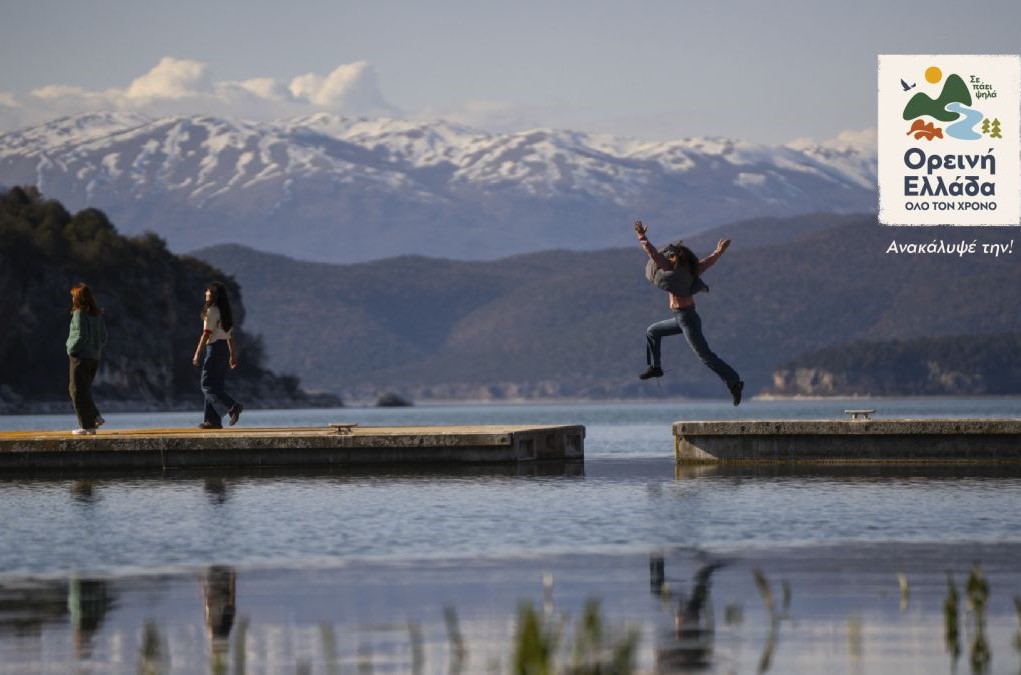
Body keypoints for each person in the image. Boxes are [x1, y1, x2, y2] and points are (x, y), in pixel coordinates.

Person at [634, 220, 744, 406]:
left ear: (677, 259)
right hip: (680, 317)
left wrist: (641, 236)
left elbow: (652, 253)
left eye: (672, 256)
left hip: (688, 319)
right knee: (652, 331)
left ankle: (734, 382)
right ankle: (655, 367)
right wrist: (719, 251)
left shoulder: (671, 268)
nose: (669, 258)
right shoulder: (693, 270)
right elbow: (710, 261)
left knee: (705, 356)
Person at [192, 282, 243, 429]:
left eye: (208, 292)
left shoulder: (212, 310)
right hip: (223, 350)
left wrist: (197, 353)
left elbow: (206, 334)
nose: (205, 293)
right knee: (216, 387)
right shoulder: (225, 312)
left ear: (213, 294)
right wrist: (232, 355)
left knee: (207, 385)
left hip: (214, 349)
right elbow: (229, 337)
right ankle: (212, 421)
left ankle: (232, 405)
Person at [66, 283, 108, 435]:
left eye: (73, 296)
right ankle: (95, 417)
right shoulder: (97, 315)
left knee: (75, 390)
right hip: (94, 358)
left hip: (80, 356)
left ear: (78, 298)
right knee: (84, 390)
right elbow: (103, 337)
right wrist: (95, 349)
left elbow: (80, 335)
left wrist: (71, 348)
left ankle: (86, 426)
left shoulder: (79, 313)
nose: (72, 299)